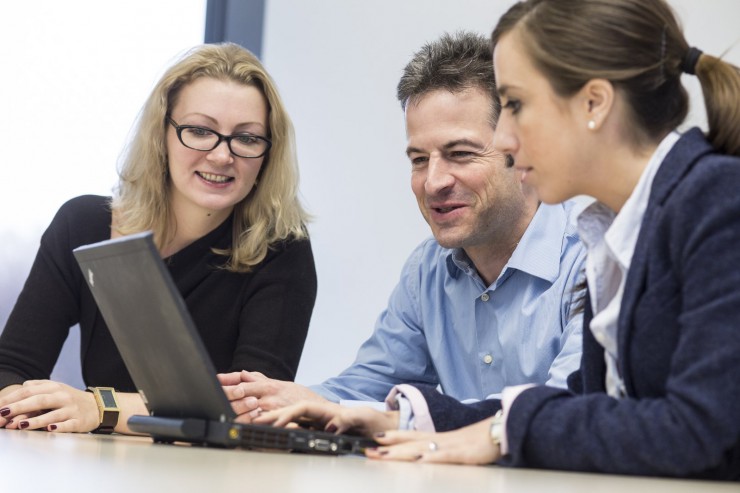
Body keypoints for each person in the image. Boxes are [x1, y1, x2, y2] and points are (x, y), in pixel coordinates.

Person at [257, 0, 740, 480]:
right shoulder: (616, 228)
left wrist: (498, 433)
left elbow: (701, 430)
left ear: (594, 103)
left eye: (515, 105)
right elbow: (584, 406)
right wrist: (400, 418)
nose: (505, 138)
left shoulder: (716, 200)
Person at [219, 31, 587, 425]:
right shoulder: (428, 270)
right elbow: (365, 388)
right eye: (418, 159)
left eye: (459, 154)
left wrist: (401, 420)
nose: (433, 182)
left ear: (521, 147)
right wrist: (291, 400)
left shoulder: (591, 256)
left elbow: (565, 407)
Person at [0, 42, 317, 434]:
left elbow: (250, 410)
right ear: (162, 134)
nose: (222, 156)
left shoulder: (283, 250)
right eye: (200, 131)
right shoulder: (82, 225)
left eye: (247, 138)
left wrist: (101, 408)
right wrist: (26, 407)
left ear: (268, 153)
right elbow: (10, 368)